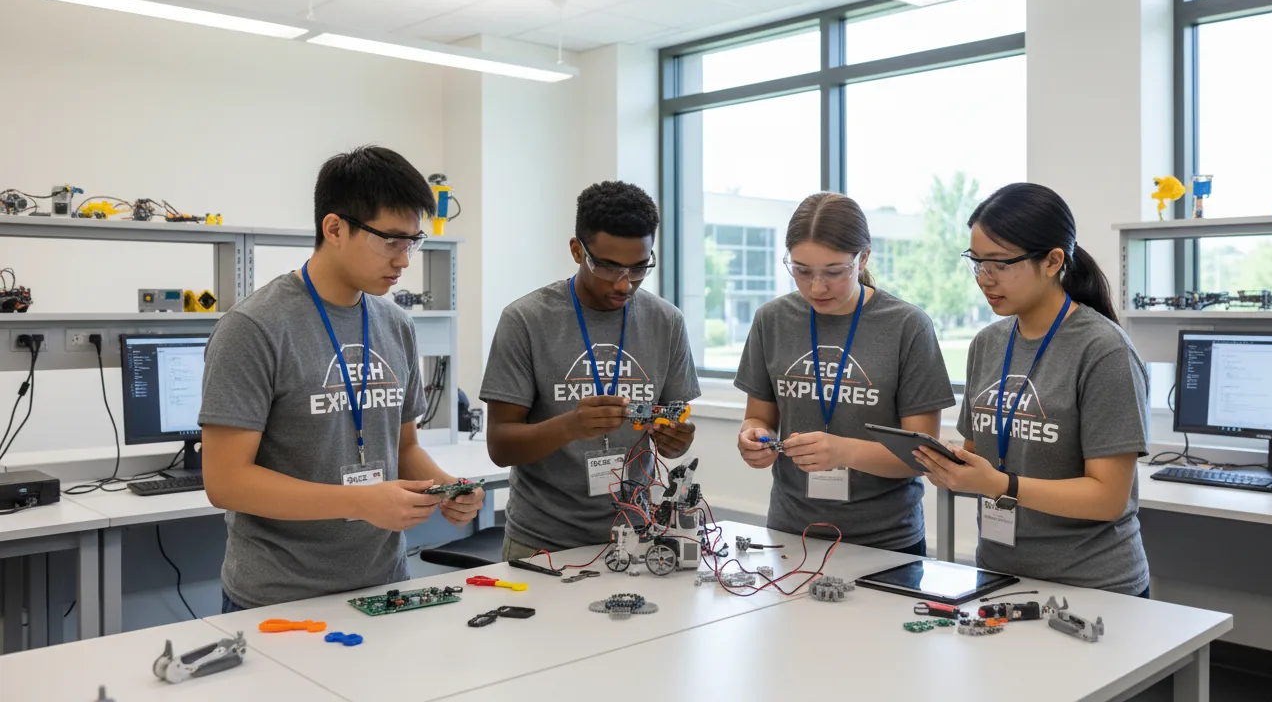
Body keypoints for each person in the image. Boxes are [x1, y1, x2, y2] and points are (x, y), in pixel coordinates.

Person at [200, 146, 485, 612]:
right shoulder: (254, 328)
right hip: (279, 598)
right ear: (334, 228)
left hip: (382, 585)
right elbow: (226, 482)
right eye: (391, 241)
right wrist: (359, 502)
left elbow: (404, 447)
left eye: (413, 242)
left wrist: (447, 488)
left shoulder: (396, 324)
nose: (405, 260)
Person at [914, 182, 1151, 597]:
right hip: (999, 575)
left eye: (1000, 264)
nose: (984, 279)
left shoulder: (1103, 350)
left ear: (1053, 261)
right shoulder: (987, 343)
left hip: (1092, 587)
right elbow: (980, 457)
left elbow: (1108, 497)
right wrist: (951, 467)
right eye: (977, 263)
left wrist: (1002, 485)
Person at [481, 181, 700, 560]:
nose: (623, 282)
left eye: (639, 267)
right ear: (576, 250)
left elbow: (676, 427)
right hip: (540, 543)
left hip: (635, 536)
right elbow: (500, 447)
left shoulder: (667, 322)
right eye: (608, 266)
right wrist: (569, 425)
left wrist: (677, 441)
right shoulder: (526, 320)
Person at [735, 192, 956, 554]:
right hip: (791, 532)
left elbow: (921, 455)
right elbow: (758, 416)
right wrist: (753, 438)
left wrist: (844, 452)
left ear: (863, 257)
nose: (816, 287)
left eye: (834, 272)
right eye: (801, 271)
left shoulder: (906, 326)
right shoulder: (771, 320)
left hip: (886, 541)